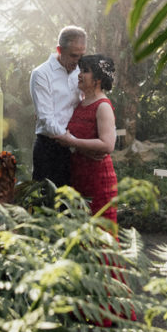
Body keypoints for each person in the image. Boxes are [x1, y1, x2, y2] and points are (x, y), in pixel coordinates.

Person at [57, 54, 119, 225]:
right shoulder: (80, 102)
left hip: (98, 179)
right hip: (78, 176)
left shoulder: (103, 106)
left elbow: (107, 144)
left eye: (85, 71)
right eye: (80, 70)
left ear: (98, 79)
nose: (79, 74)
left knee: (98, 237)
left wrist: (72, 142)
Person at [30, 25, 87, 186]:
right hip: (49, 149)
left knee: (71, 206)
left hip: (75, 148)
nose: (78, 62)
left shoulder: (80, 72)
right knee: (46, 204)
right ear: (59, 49)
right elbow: (46, 120)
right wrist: (74, 143)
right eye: (73, 56)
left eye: (81, 56)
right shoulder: (41, 74)